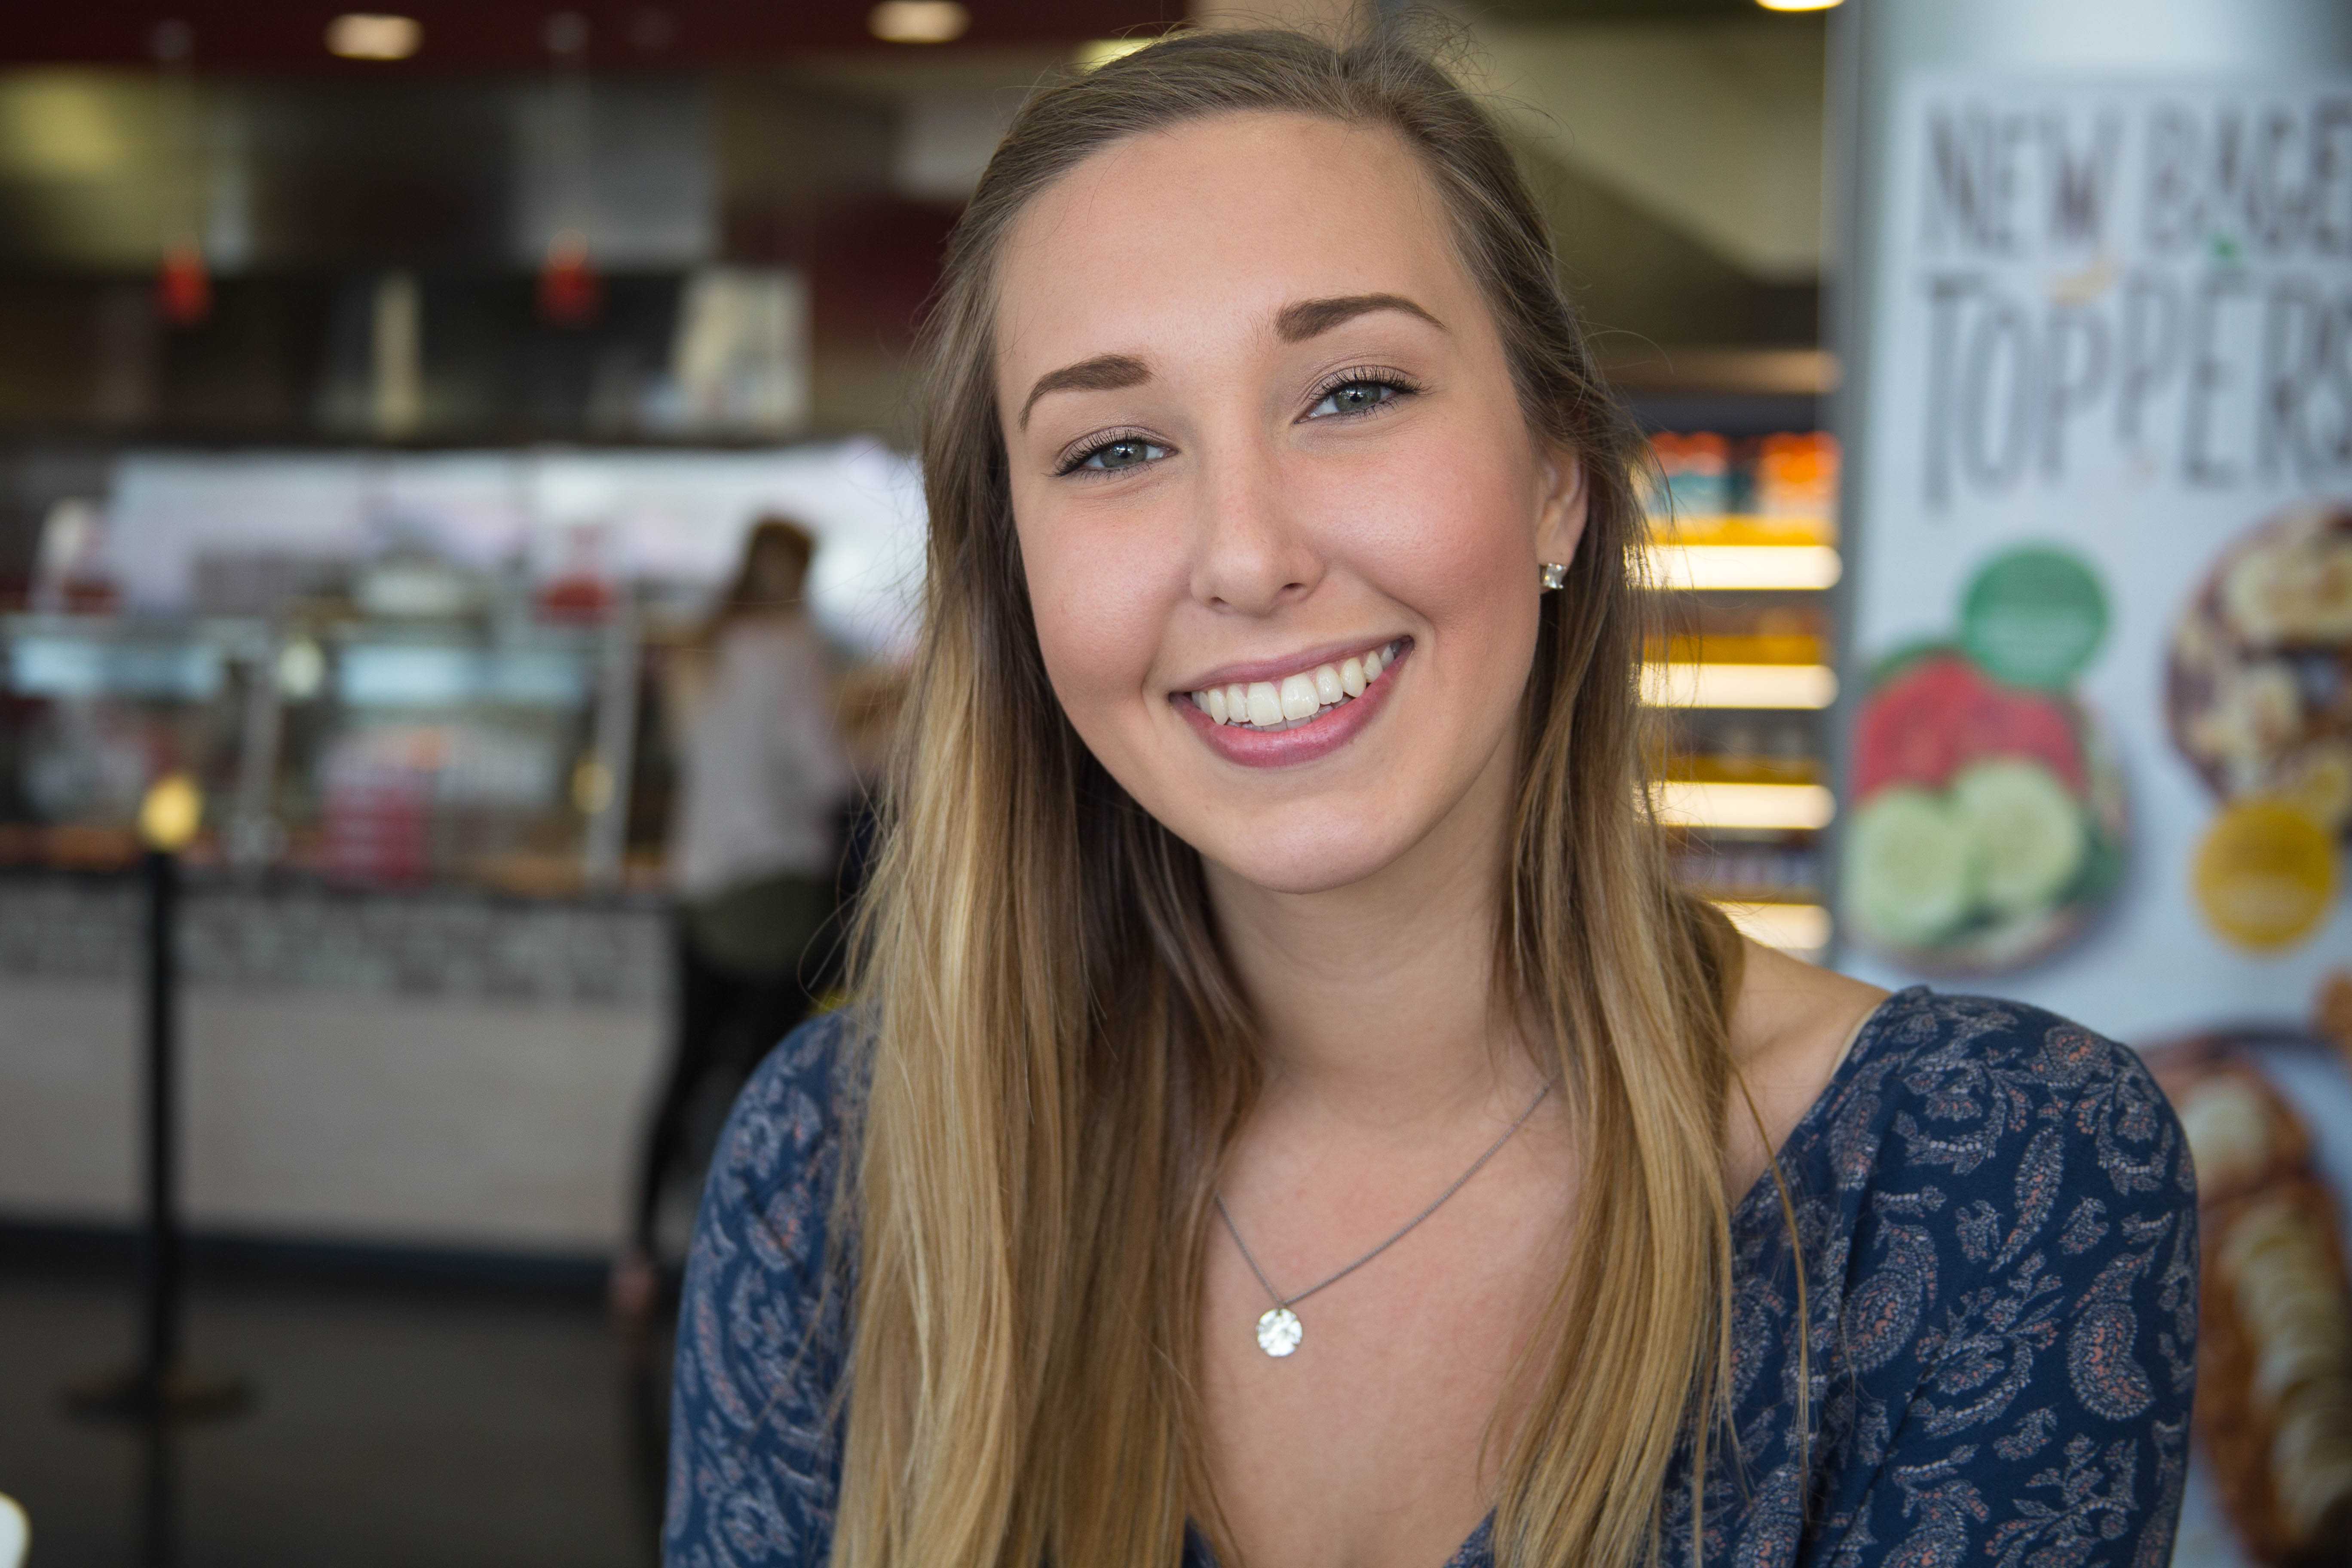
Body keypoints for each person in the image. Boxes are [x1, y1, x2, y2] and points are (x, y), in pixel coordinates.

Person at [665, 29, 2196, 1568]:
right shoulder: (831, 1178)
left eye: (1351, 391)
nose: (1246, 552)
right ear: (1014, 574)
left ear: (1556, 474)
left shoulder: (1992, 1174)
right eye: (1116, 445)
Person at [612, 516, 852, 1323]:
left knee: (685, 1066)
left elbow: (689, 758)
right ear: (796, 571)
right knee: (771, 1081)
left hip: (699, 883)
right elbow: (819, 771)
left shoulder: (701, 647)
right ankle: (749, 1264)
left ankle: (639, 1256)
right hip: (773, 885)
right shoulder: (790, 648)